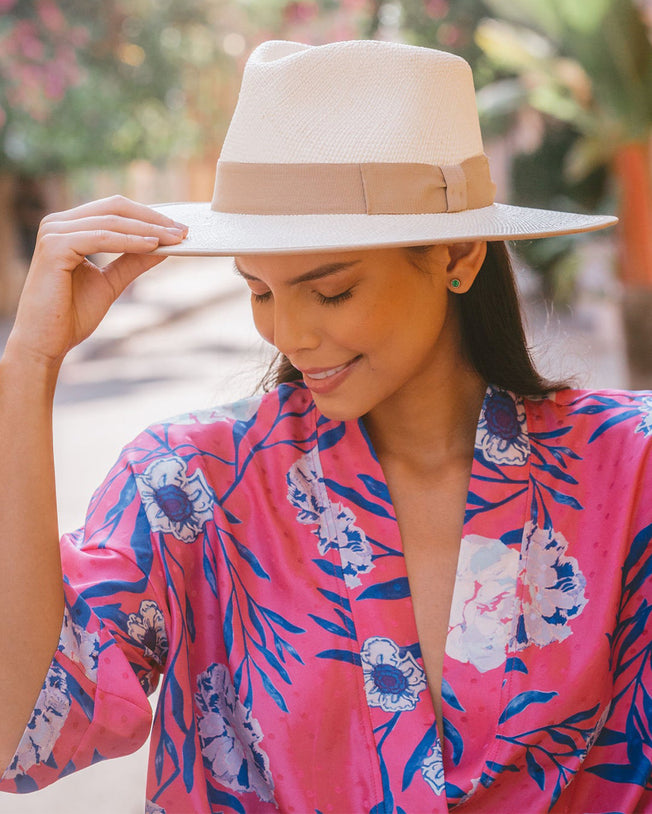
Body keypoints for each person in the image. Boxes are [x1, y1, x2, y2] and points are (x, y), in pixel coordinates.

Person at [0, 38, 648, 814]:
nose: (288, 335)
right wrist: (28, 366)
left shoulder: (631, 467)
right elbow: (26, 736)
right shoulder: (190, 486)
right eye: (260, 291)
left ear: (460, 256)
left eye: (330, 291)